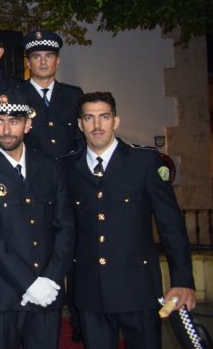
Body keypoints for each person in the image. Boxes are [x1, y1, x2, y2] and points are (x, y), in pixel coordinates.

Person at [61, 92, 196, 349]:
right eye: (89, 118)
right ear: (80, 124)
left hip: (138, 288)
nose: (97, 125)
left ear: (116, 121)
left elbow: (171, 226)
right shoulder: (67, 167)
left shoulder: (144, 162)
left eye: (104, 117)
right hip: (90, 290)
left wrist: (182, 281)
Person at [0, 91, 73, 349]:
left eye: (14, 121)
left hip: (47, 292)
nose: (6, 130)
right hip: (1, 296)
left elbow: (65, 227)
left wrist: (51, 279)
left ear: (28, 124)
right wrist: (29, 283)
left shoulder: (50, 167)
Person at [20, 30, 83, 159]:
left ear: (57, 61)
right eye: (36, 57)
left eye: (49, 56)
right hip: (32, 167)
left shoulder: (73, 95)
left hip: (68, 166)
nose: (43, 62)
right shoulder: (16, 95)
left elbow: (82, 136)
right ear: (28, 63)